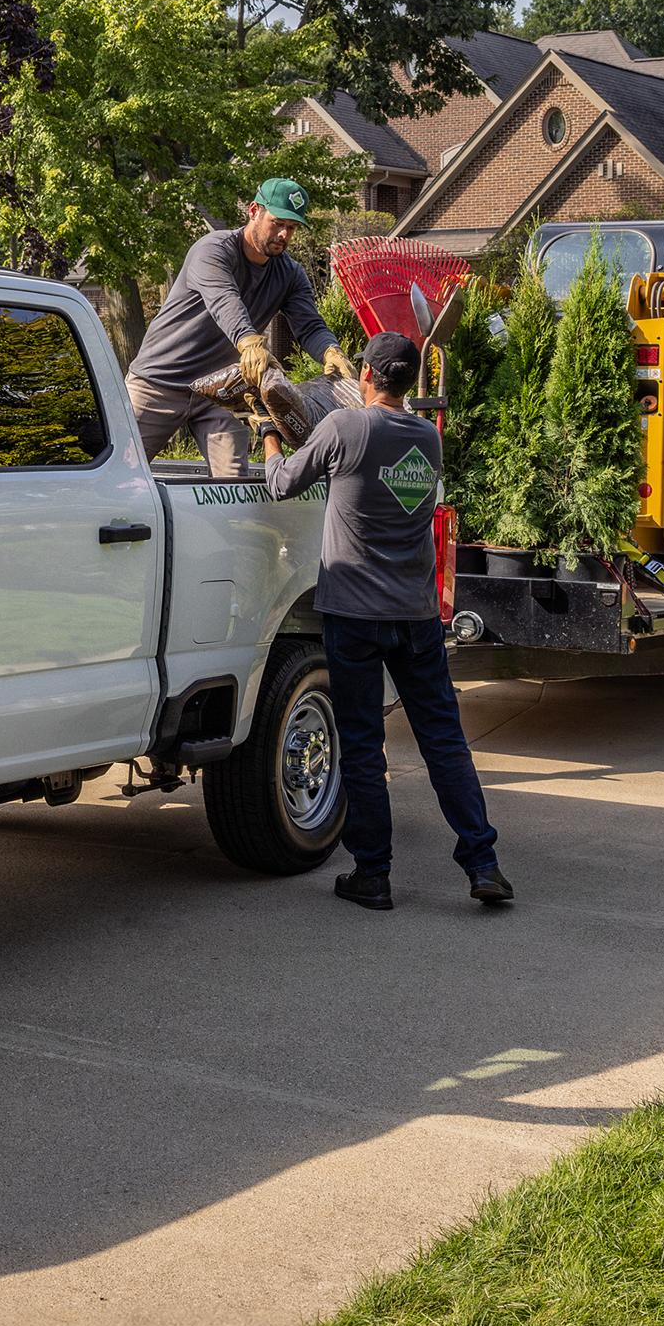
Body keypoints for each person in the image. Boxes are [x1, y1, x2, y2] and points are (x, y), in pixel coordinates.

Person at [261, 329, 512, 910]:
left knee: (362, 744)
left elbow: (280, 482)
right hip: (416, 617)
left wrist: (270, 435)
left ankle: (372, 874)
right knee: (444, 741)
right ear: (408, 381)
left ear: (367, 376)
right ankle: (483, 863)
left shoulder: (345, 428)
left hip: (354, 615)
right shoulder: (428, 438)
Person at [128, 177, 355, 477]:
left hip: (222, 392)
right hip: (159, 383)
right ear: (253, 211)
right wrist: (248, 341)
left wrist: (330, 350)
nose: (284, 234)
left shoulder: (290, 274)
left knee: (233, 483)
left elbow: (310, 326)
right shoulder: (213, 251)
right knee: (120, 472)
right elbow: (224, 300)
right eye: (277, 223)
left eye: (292, 227)